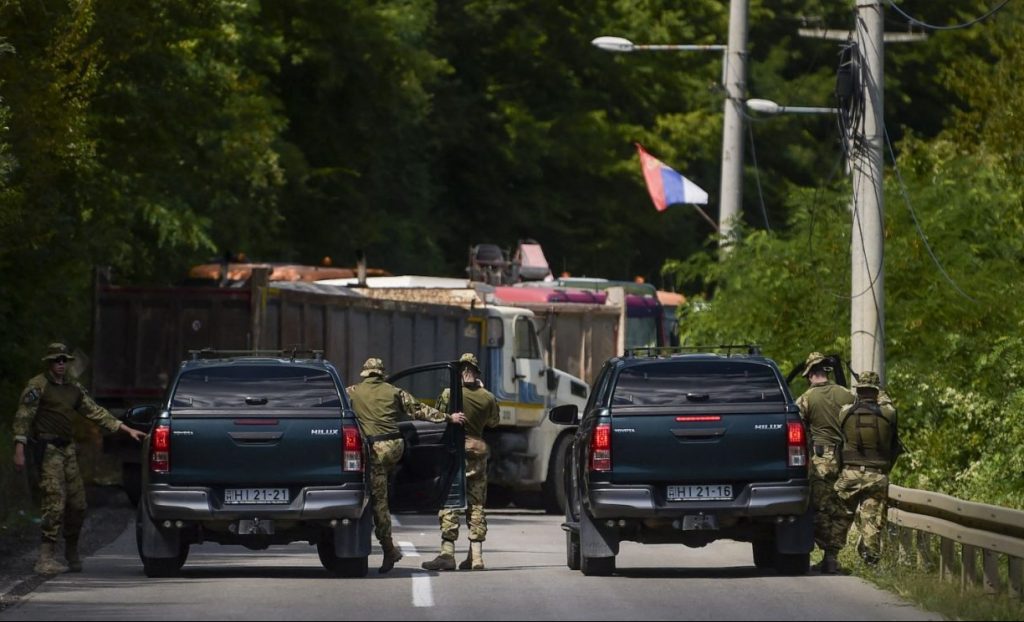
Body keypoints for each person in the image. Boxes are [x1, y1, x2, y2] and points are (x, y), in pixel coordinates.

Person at [12, 343, 147, 575]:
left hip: (68, 450)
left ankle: (71, 552)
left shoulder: (73, 389)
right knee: (54, 501)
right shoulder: (38, 387)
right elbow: (23, 417)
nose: (61, 364)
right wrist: (19, 448)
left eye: (64, 360)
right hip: (48, 448)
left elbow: (96, 412)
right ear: (49, 363)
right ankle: (45, 557)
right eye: (57, 360)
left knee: (78, 504)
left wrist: (126, 430)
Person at [345, 357, 466, 574]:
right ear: (381, 373)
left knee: (378, 501)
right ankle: (398, 491)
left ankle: (389, 549)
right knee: (387, 480)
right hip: (395, 446)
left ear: (365, 374)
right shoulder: (393, 391)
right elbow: (420, 410)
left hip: (374, 449)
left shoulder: (352, 391)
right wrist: (449, 418)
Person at [422, 353, 500, 571]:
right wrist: (483, 392)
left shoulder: (449, 394)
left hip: (455, 453)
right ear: (476, 373)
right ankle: (476, 557)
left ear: (459, 372)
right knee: (476, 503)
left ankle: (447, 554)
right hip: (477, 453)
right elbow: (494, 422)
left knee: (450, 501)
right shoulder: (488, 397)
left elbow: (437, 416)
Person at [795, 351, 855, 574]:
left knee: (819, 509)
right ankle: (833, 556)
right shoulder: (847, 395)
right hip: (847, 460)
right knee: (841, 509)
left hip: (821, 461)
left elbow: (793, 426)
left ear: (810, 374)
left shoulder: (806, 399)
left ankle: (827, 557)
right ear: (826, 372)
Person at [835, 370, 899, 565]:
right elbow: (888, 406)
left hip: (850, 474)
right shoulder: (888, 413)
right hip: (876, 475)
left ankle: (831, 558)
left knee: (839, 517)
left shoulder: (846, 412)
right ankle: (871, 561)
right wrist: (882, 393)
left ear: (859, 390)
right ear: (876, 391)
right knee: (871, 520)